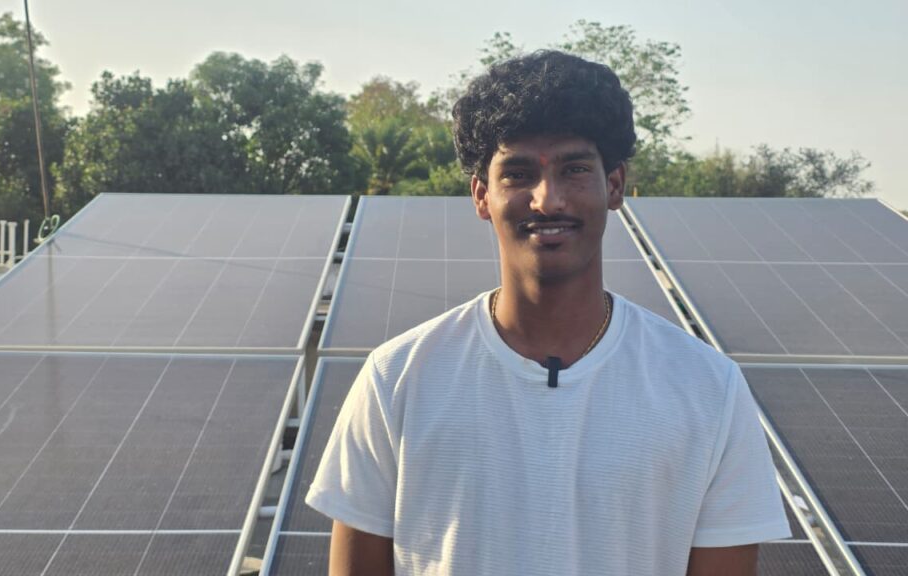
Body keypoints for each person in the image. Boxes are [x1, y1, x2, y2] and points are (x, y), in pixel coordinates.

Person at [306, 50, 790, 575]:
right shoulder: (397, 378)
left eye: (574, 170)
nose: (547, 199)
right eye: (517, 173)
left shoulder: (708, 388)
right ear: (481, 196)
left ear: (614, 185)